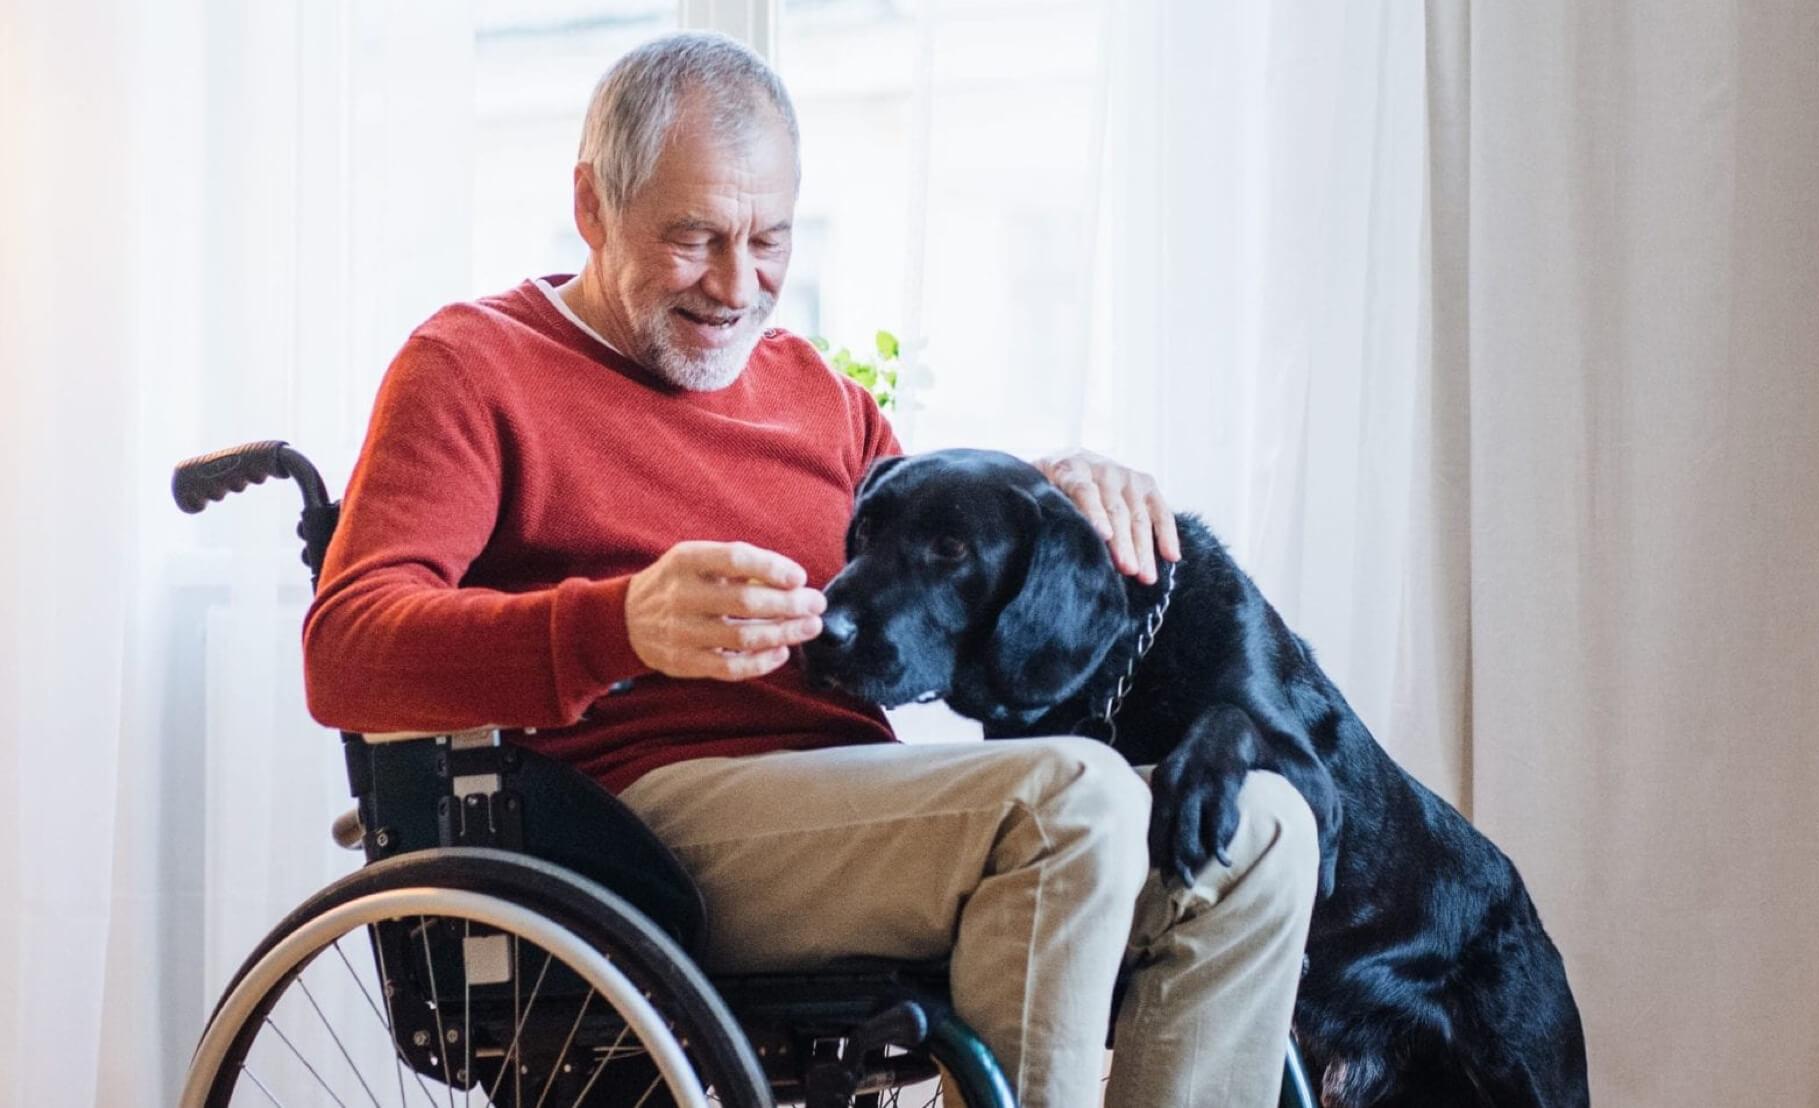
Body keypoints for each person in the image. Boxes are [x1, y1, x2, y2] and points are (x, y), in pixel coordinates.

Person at [303, 31, 1317, 1108]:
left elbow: (940, 541)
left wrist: (1055, 482)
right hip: (633, 828)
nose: (739, 286)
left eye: (770, 239)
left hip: (860, 809)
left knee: (1264, 829)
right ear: (594, 206)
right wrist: (619, 624)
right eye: (695, 238)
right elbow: (347, 648)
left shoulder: (812, 391)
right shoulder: (473, 365)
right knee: (1076, 801)